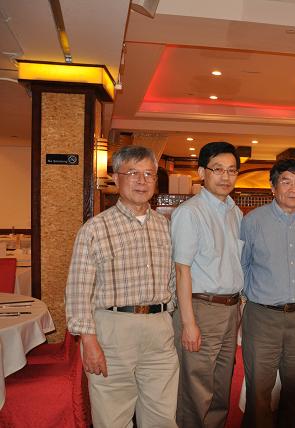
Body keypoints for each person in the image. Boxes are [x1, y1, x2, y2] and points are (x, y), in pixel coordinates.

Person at [65, 145, 178, 428]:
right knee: (112, 418)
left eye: (149, 174)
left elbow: (174, 279)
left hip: (159, 329)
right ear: (116, 178)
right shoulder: (95, 229)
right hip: (113, 330)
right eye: (133, 173)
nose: (142, 181)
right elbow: (78, 291)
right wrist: (88, 341)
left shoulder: (166, 227)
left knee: (163, 417)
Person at [240, 158, 295, 428]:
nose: (294, 189)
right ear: (273, 187)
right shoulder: (252, 222)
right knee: (259, 390)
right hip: (262, 317)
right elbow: (243, 266)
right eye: (286, 182)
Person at [170, 142, 244, 427]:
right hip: (201, 308)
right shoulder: (191, 212)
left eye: (232, 170)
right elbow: (181, 270)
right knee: (196, 389)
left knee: (220, 388)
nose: (226, 177)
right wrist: (188, 323)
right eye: (218, 170)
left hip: (230, 309)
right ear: (202, 172)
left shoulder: (234, 212)